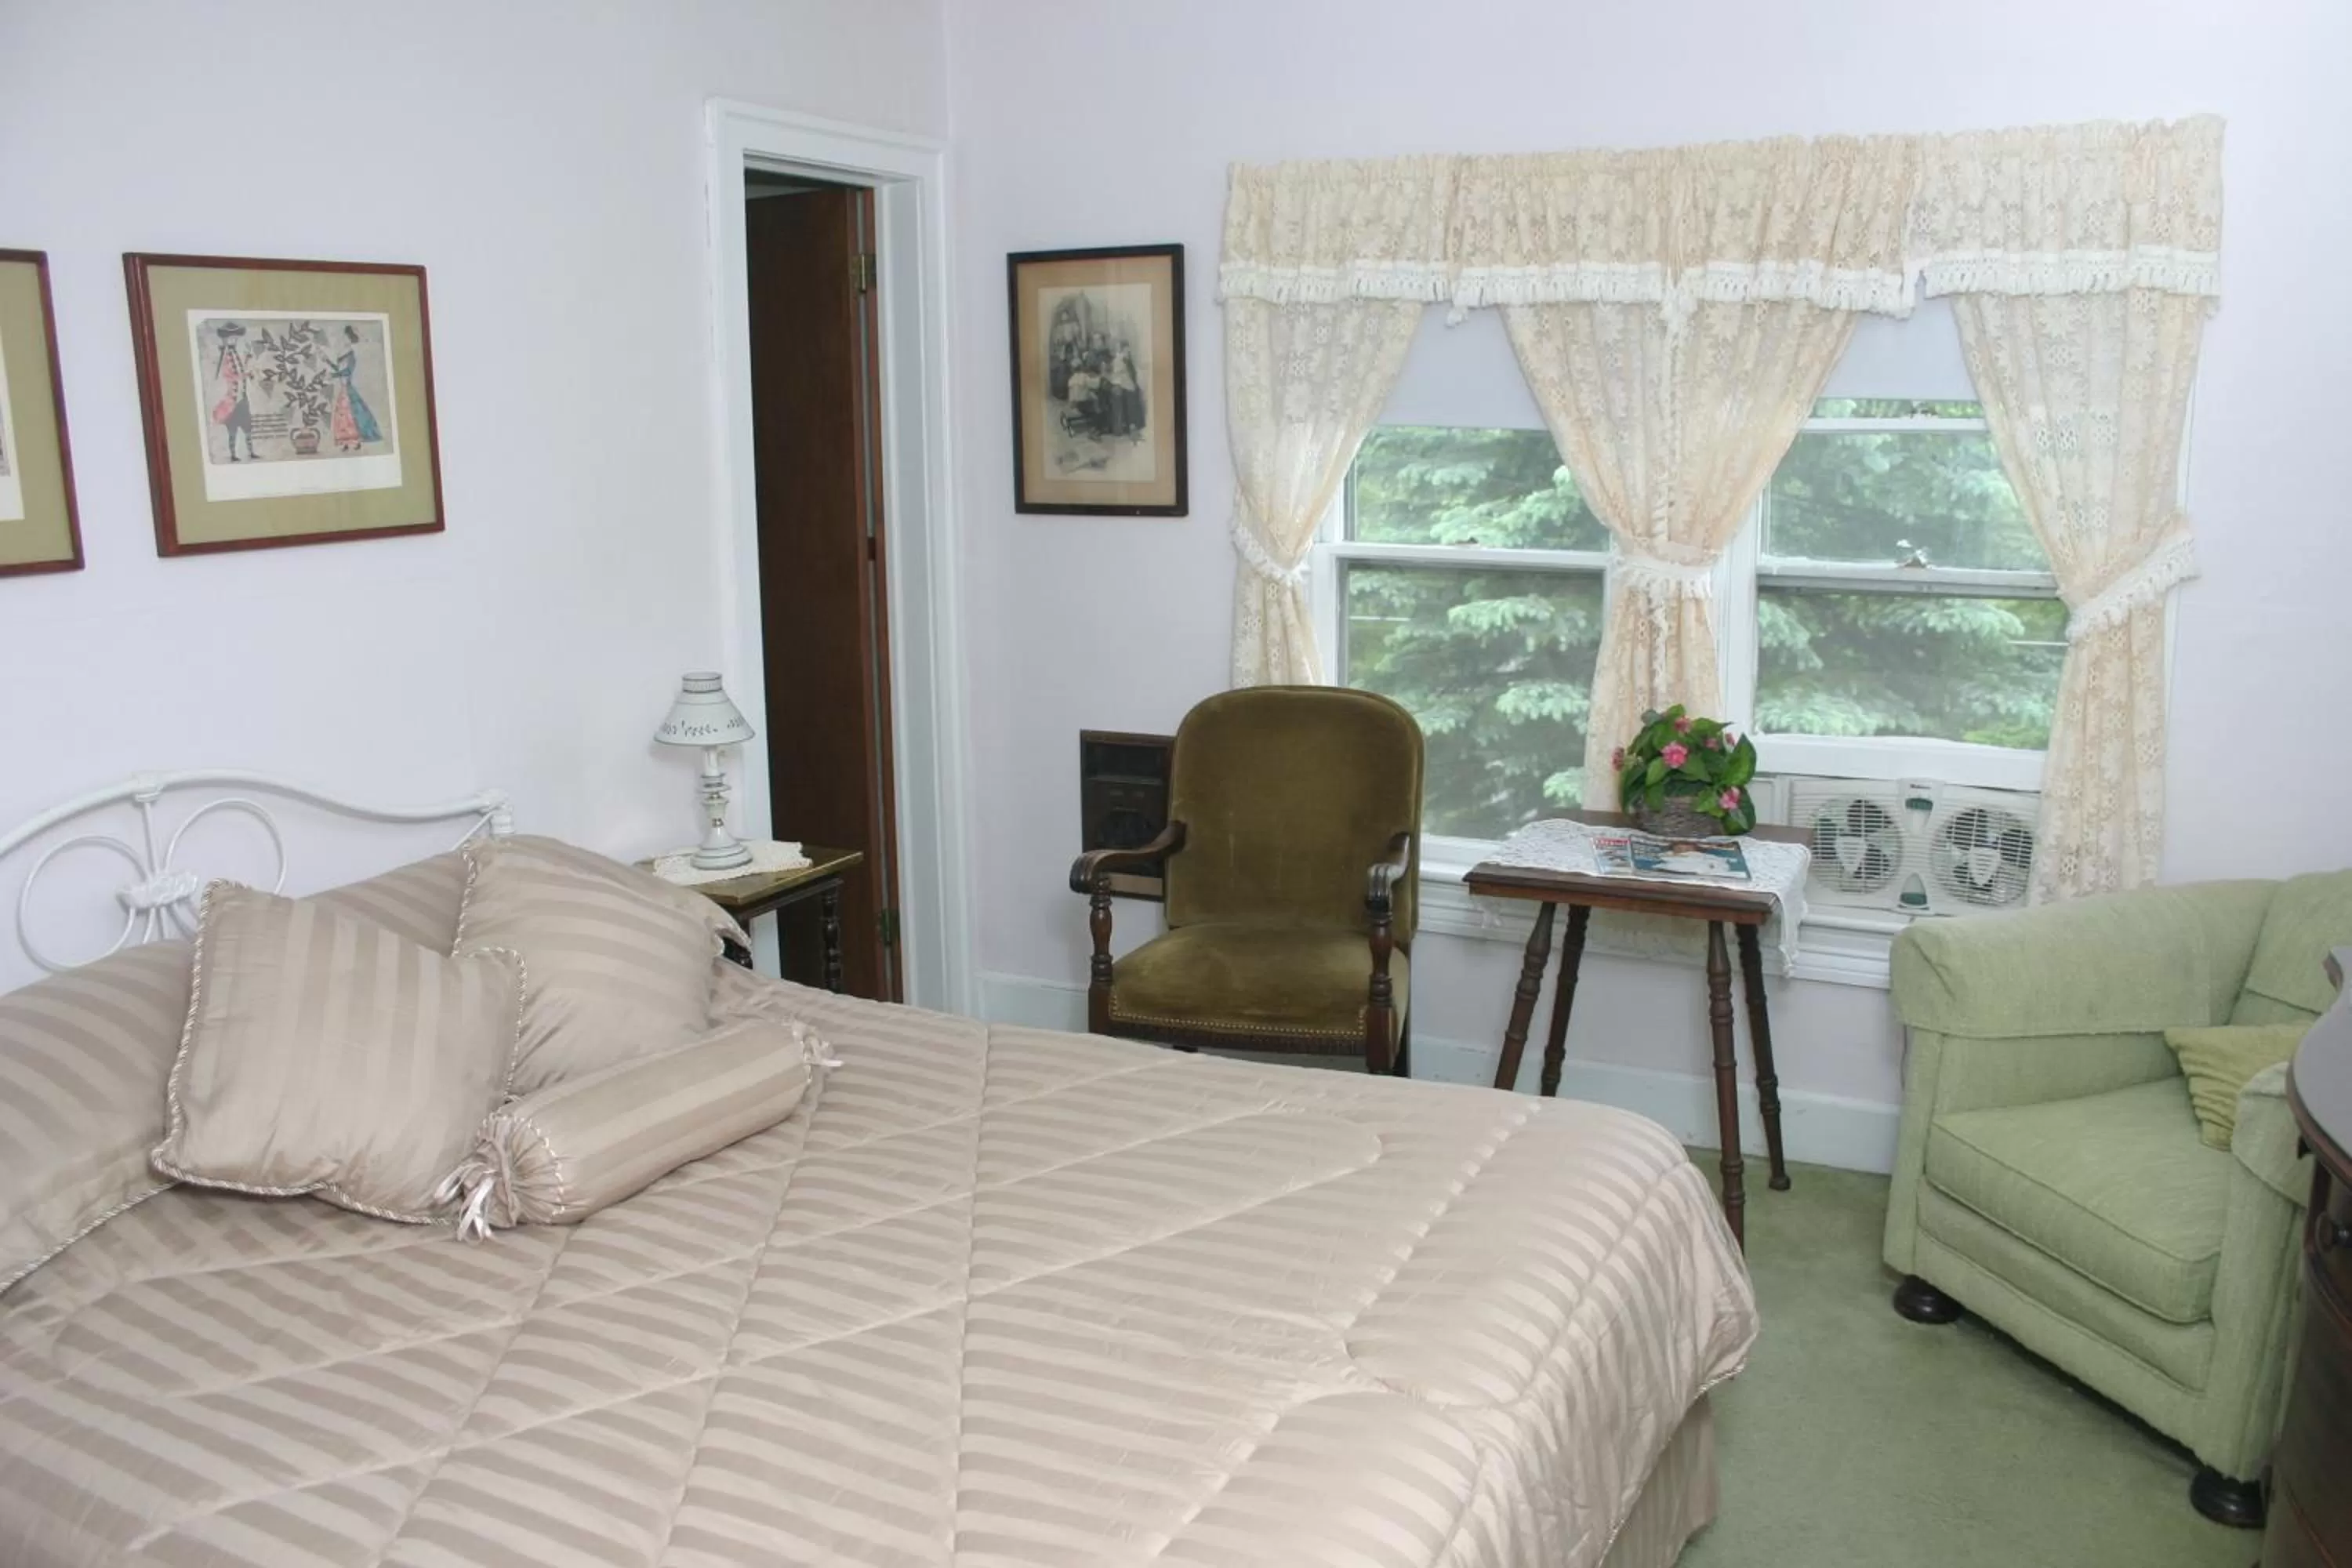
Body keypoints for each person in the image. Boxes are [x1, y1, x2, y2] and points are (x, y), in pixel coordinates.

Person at [324, 325, 383, 452]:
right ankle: (345, 442)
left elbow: (346, 371)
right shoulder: (342, 355)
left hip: (348, 389)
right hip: (344, 389)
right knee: (342, 415)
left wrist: (333, 375)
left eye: (345, 338)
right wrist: (328, 362)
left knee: (352, 415)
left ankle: (355, 441)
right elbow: (339, 369)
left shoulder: (351, 356)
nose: (342, 341)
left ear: (349, 339)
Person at [208, 321, 259, 462]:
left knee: (248, 427)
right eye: (231, 338)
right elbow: (230, 375)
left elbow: (240, 371)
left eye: (235, 338)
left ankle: (251, 451)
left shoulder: (235, 354)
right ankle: (233, 454)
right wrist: (245, 375)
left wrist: (247, 364)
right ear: (225, 339)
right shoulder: (226, 357)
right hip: (233, 401)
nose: (234, 340)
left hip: (242, 398)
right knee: (233, 429)